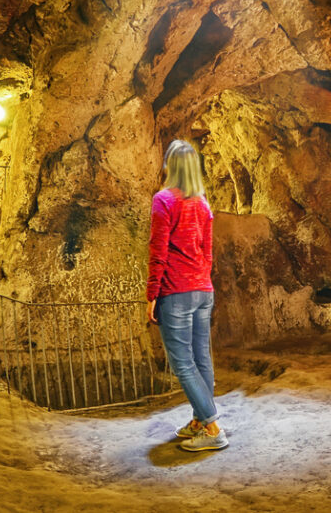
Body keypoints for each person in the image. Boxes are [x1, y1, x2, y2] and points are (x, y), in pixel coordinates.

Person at [146, 139, 228, 452]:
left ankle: (212, 427)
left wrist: (153, 293)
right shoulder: (203, 204)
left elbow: (159, 250)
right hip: (202, 290)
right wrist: (201, 281)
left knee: (182, 363)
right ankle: (198, 421)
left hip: (176, 291)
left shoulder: (163, 200)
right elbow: (207, 252)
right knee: (201, 358)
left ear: (170, 166)